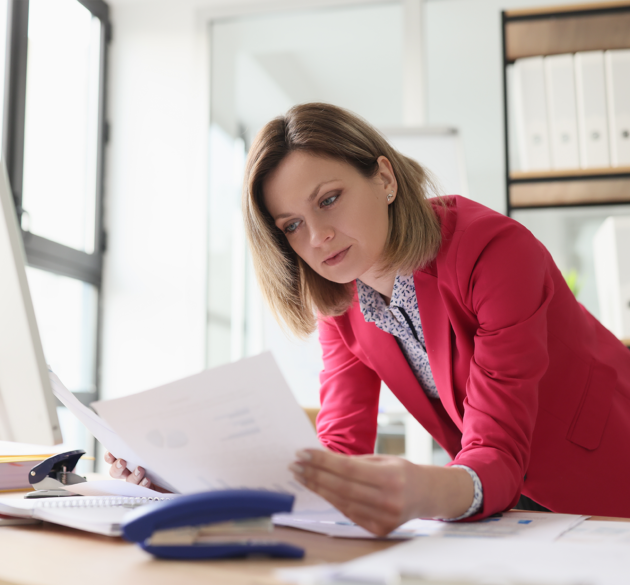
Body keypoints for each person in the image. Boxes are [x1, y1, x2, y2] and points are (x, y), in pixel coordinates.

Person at [106, 103, 630, 535]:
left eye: (329, 200)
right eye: (292, 225)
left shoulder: (494, 253)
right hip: (508, 509)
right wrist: (182, 483)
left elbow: (496, 447)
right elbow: (337, 452)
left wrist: (422, 488)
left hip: (609, 477)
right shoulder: (340, 301)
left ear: (383, 178)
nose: (318, 237)